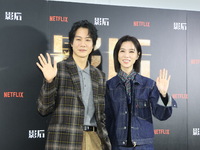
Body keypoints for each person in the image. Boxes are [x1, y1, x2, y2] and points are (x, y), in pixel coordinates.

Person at [36, 20, 111, 150]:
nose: (83, 44)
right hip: (65, 140)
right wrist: (49, 81)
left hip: (94, 140)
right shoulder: (58, 69)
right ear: (71, 43)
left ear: (93, 45)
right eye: (78, 39)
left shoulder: (99, 76)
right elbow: (43, 109)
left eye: (88, 40)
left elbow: (101, 115)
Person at [105, 35, 177, 150]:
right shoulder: (109, 86)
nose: (126, 55)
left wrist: (163, 94)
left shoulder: (149, 85)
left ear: (137, 55)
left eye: (131, 51)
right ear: (117, 54)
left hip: (144, 146)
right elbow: (106, 120)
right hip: (117, 146)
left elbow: (162, 115)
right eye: (122, 51)